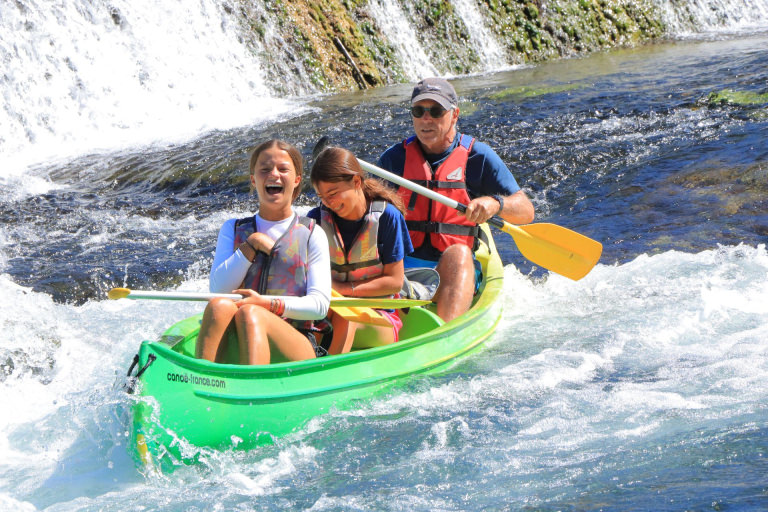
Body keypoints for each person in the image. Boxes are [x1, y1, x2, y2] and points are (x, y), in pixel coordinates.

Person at [378, 77, 535, 322]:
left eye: (436, 111)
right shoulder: (393, 159)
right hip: (400, 270)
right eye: (419, 111)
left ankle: (446, 334)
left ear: (454, 115)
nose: (426, 119)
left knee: (459, 255)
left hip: (450, 270)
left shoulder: (477, 157)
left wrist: (495, 204)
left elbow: (526, 210)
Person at [195, 139, 331, 365]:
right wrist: (250, 245)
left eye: (283, 169)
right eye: (265, 169)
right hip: (240, 337)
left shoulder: (312, 233)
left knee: (252, 313)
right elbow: (218, 290)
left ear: (297, 180)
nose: (274, 175)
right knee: (218, 306)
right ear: (253, 179)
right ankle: (200, 381)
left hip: (294, 342)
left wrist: (267, 304)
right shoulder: (233, 228)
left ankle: (252, 389)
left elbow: (319, 306)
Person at [308, 146, 413, 355]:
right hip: (327, 313)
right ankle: (301, 359)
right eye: (322, 196)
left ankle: (329, 371)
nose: (328, 202)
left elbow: (394, 282)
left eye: (333, 193)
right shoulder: (315, 220)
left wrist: (342, 290)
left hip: (380, 320)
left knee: (346, 315)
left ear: (356, 182)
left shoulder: (387, 218)